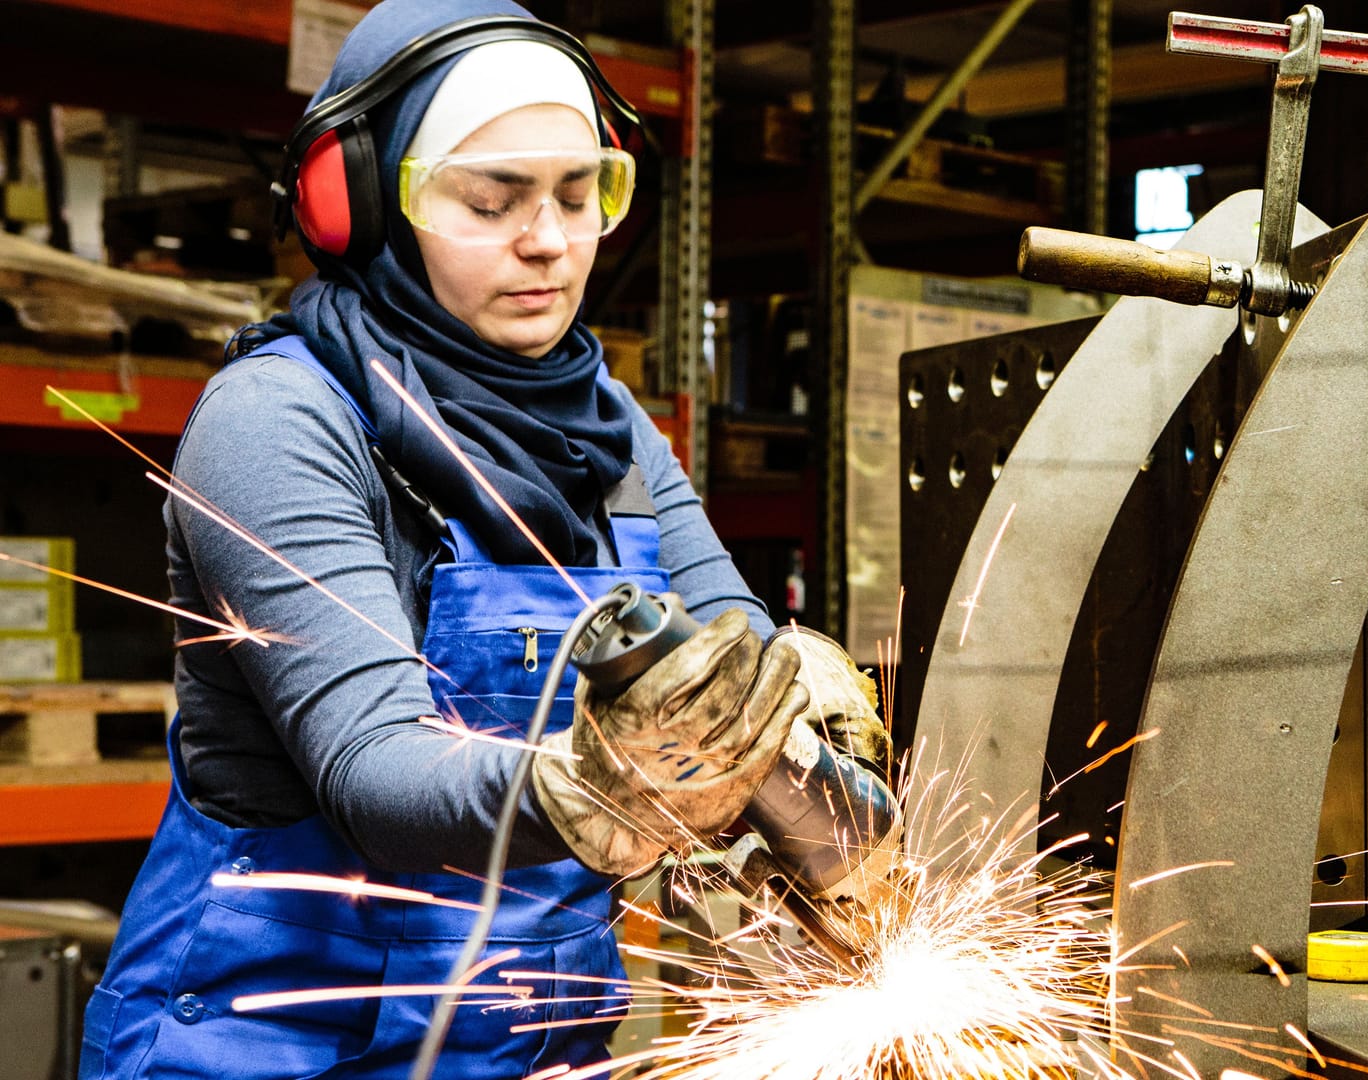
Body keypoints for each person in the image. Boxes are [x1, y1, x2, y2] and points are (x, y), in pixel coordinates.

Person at [79, 2, 887, 1076]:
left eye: (577, 192)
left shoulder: (610, 433)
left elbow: (734, 661)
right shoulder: (278, 421)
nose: (549, 240)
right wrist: (587, 788)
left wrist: (791, 748)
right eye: (492, 199)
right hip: (271, 1045)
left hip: (529, 1049)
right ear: (361, 203)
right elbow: (374, 768)